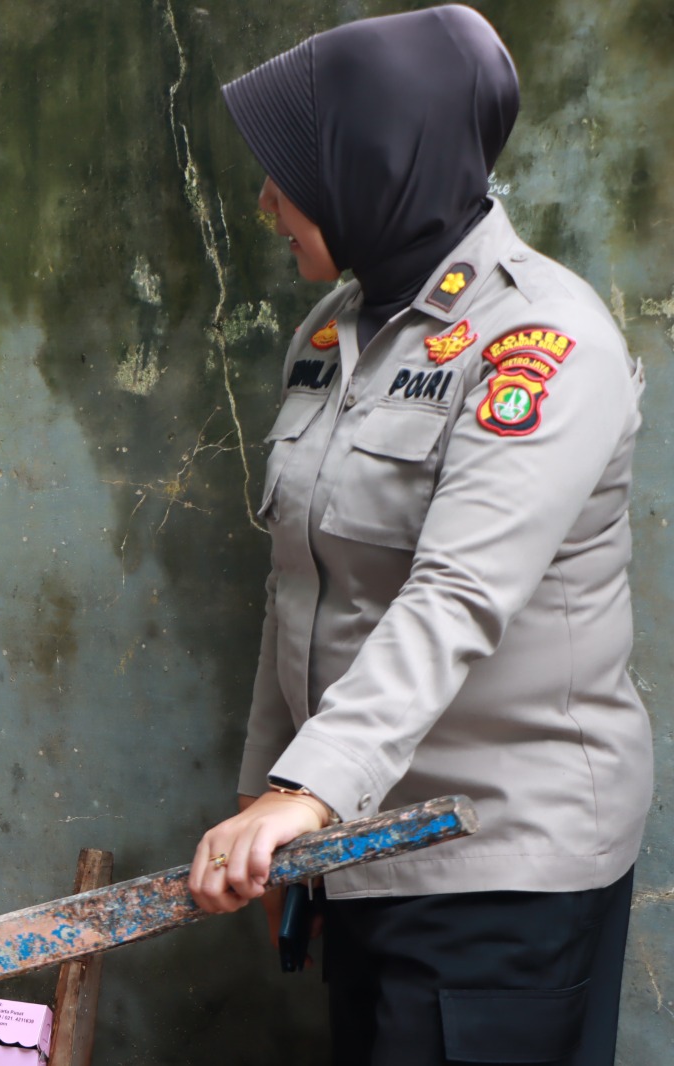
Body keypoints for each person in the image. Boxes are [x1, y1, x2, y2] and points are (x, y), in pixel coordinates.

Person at [187, 6, 650, 1064]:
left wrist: (308, 792)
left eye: (288, 174)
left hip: (499, 868)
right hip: (356, 839)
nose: (266, 203)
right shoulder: (333, 334)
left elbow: (455, 594)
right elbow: (296, 583)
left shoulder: (542, 341)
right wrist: (273, 802)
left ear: (375, 165)